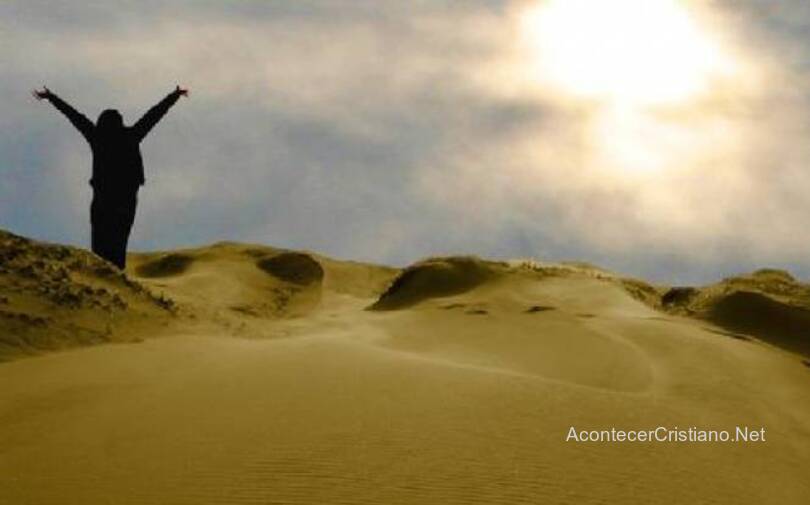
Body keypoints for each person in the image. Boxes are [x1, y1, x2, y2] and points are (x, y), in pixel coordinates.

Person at [33, 85, 189, 269]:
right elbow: (153, 116)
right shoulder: (130, 135)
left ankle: (106, 275)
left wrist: (52, 98)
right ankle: (114, 274)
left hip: (106, 198)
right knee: (118, 241)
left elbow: (75, 116)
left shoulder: (98, 136)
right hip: (124, 198)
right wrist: (174, 96)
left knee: (102, 242)